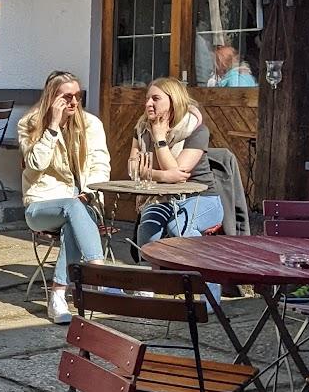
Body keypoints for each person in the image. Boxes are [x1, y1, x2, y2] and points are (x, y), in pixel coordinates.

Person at [18, 71, 111, 325]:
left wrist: (89, 193)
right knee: (72, 207)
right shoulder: (29, 123)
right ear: (51, 97)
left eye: (78, 96)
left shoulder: (91, 124)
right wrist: (52, 127)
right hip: (40, 207)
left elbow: (101, 164)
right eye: (67, 97)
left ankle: (58, 296)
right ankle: (99, 275)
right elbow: (36, 164)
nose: (74, 102)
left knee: (74, 215)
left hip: (82, 205)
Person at [130, 77, 225, 250]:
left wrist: (159, 138)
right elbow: (134, 167)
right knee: (148, 229)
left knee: (178, 228)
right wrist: (164, 176)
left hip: (201, 197)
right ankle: (154, 267)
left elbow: (177, 173)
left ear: (173, 101)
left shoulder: (196, 129)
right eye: (147, 99)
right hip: (161, 197)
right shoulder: (142, 128)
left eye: (155, 99)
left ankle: (203, 266)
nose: (148, 104)